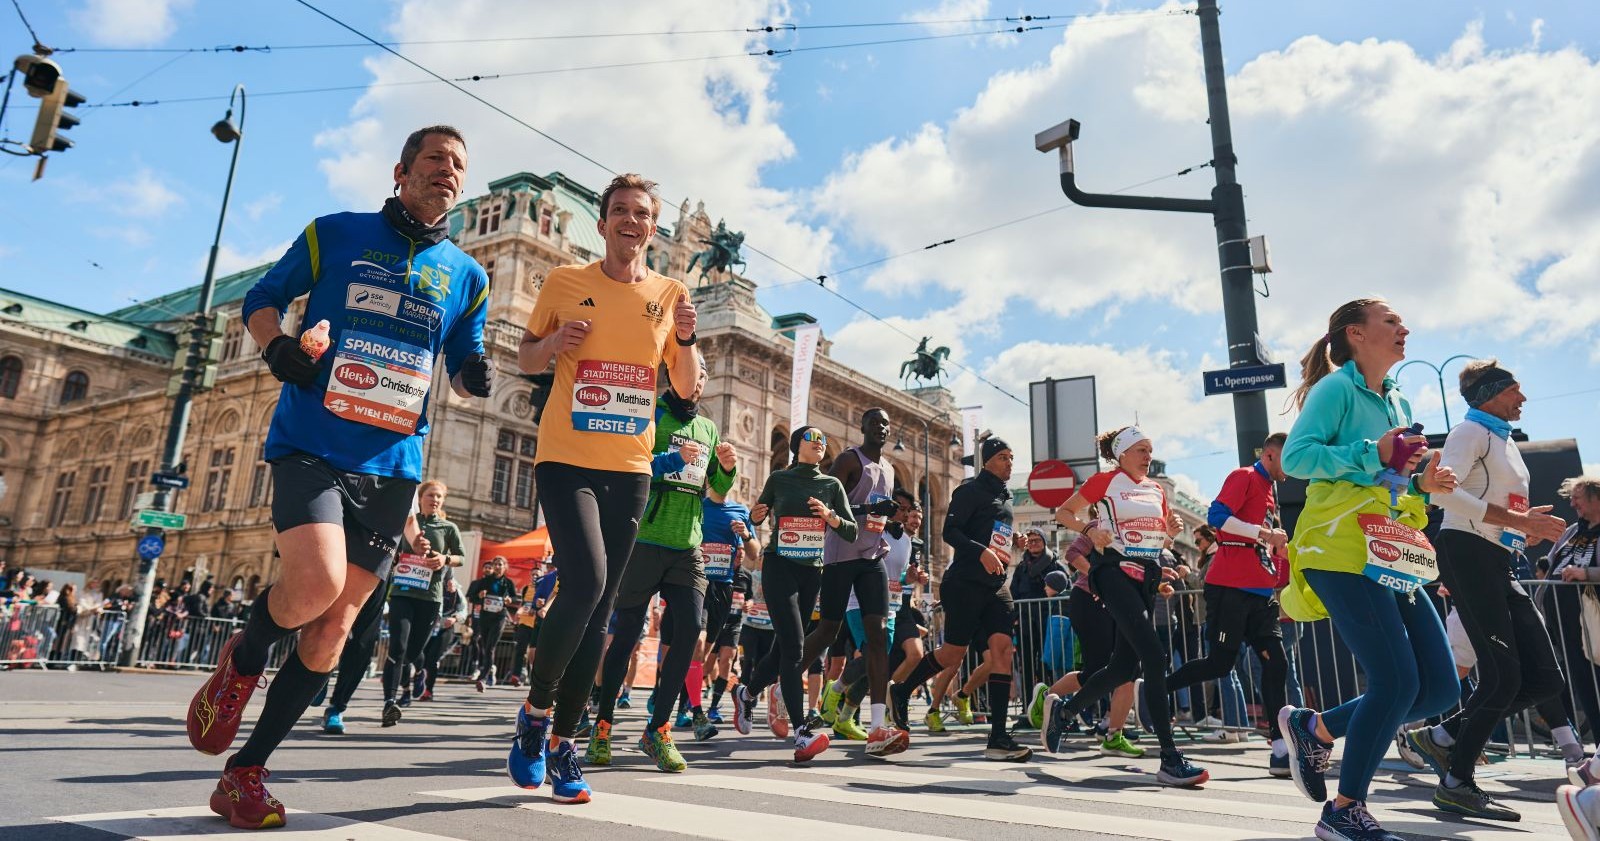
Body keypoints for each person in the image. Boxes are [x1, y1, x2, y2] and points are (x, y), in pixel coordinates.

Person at [184, 124, 491, 830]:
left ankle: (244, 773)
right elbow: (261, 298)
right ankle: (247, 651)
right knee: (313, 586)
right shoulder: (334, 233)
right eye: (436, 159)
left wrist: (476, 372)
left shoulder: (468, 275)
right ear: (401, 170)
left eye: (459, 165)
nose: (448, 171)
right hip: (312, 445)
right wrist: (278, 347)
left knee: (329, 635)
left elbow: (468, 355)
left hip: (393, 468)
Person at [507, 173, 699, 804]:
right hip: (565, 457)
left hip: (631, 466)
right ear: (603, 222)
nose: (630, 221)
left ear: (652, 226)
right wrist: (557, 343)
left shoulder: (670, 294)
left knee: (605, 607)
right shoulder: (565, 283)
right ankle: (535, 717)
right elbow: (525, 358)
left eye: (641, 214)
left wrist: (689, 339)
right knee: (585, 582)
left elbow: (687, 388)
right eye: (619, 211)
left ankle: (562, 743)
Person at [1274, 298, 1459, 841]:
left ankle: (1316, 727)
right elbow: (1297, 460)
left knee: (1439, 690)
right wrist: (1370, 451)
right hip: (1340, 548)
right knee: (1395, 680)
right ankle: (1344, 810)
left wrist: (1424, 483)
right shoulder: (1336, 388)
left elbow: (1392, 477)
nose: (1405, 327)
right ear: (1357, 333)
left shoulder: (1397, 398)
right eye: (1391, 321)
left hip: (1393, 551)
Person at [1393, 361, 1570, 821]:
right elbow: (1442, 495)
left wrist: (1523, 530)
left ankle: (1444, 736)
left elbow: (1496, 502)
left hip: (1496, 556)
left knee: (1546, 679)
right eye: (1516, 390)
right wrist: (1520, 521)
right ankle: (1457, 782)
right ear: (1491, 393)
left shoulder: (1502, 438)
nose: (1524, 399)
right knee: (1501, 676)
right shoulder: (1469, 431)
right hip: (1466, 553)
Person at [588, 354, 739, 772]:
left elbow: (716, 489)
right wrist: (674, 459)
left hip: (688, 545)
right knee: (627, 635)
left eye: (704, 376)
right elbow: (630, 469)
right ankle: (602, 724)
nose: (698, 381)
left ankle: (657, 729)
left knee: (691, 629)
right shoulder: (650, 414)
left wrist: (726, 469)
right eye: (692, 373)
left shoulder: (707, 427)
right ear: (673, 374)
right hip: (645, 540)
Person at [1042, 427, 1206, 786]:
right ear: (1122, 453)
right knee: (1154, 655)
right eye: (1141, 449)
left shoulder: (1156, 490)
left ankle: (1066, 713)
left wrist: (1171, 531)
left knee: (1121, 669)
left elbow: (1156, 539)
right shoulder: (1105, 481)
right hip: (1112, 572)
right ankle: (1169, 757)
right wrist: (1089, 531)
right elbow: (1064, 512)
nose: (1148, 455)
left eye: (1150, 449)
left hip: (1144, 577)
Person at [886, 433, 1033, 762]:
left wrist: (1013, 541)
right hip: (964, 581)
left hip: (996, 584)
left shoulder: (1006, 497)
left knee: (1002, 652)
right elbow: (950, 532)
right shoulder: (969, 490)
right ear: (987, 461)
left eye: (1011, 457)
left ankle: (998, 737)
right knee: (953, 654)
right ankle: (902, 689)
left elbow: (995, 533)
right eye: (1003, 457)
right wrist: (980, 551)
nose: (1010, 463)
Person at [1162, 432, 1293, 775]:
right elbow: (1217, 516)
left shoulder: (1269, 491)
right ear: (1269, 455)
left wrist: (1277, 549)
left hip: (1260, 591)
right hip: (1230, 586)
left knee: (1276, 663)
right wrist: (1264, 534)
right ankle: (1157, 691)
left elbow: (1258, 538)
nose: (1292, 468)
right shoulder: (1244, 476)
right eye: (1288, 458)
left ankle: (1279, 748)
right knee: (1220, 665)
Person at [730, 425, 858, 762]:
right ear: (796, 445)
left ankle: (747, 692)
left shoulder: (832, 485)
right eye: (813, 439)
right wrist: (756, 515)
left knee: (783, 648)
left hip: (811, 572)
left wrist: (830, 517)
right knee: (795, 647)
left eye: (823, 441)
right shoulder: (779, 479)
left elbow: (851, 531)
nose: (819, 444)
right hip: (779, 566)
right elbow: (757, 513)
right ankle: (801, 731)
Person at [804, 408, 906, 756]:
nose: (881, 428)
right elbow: (828, 501)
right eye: (875, 423)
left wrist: (889, 522)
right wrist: (867, 511)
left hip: (871, 557)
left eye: (886, 424)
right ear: (862, 427)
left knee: (878, 636)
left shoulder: (891, 469)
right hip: (840, 556)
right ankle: (783, 684)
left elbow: (876, 513)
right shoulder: (850, 460)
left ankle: (878, 726)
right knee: (827, 632)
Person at [382, 480, 465, 724]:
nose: (435, 500)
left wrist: (444, 559)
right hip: (402, 593)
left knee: (414, 651)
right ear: (420, 498)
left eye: (439, 496)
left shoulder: (448, 528)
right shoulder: (408, 523)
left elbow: (460, 557)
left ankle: (418, 671)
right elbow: (391, 546)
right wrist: (396, 557)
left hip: (430, 598)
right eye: (431, 495)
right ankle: (390, 702)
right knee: (397, 648)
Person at [701, 489, 759, 722]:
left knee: (727, 660)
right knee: (706, 662)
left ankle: (714, 706)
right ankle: (688, 701)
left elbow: (750, 597)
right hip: (714, 608)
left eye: (740, 553)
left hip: (734, 623)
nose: (738, 555)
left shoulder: (745, 576)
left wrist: (748, 604)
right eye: (738, 552)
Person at [1012, 527, 1067, 713]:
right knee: (1026, 665)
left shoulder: (1055, 564)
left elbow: (1065, 587)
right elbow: (1014, 593)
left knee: (1048, 664)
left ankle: (1049, 705)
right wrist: (1015, 618)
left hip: (1049, 623)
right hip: (1026, 623)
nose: (1034, 544)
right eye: (1031, 540)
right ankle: (1028, 707)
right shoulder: (1021, 567)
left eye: (1037, 540)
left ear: (1044, 542)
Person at [467, 556, 519, 692]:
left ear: (504, 567)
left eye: (500, 564)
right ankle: (490, 669)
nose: (497, 566)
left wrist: (509, 600)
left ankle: (482, 679)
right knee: (485, 647)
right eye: (495, 564)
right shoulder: (485, 581)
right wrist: (479, 595)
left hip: (499, 617)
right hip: (485, 617)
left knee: (490, 647)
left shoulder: (508, 583)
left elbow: (515, 599)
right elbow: (472, 597)